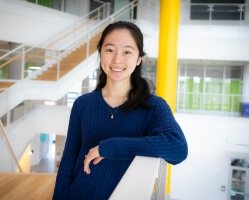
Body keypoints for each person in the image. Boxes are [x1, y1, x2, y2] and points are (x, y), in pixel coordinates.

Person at [52, 21, 188, 200]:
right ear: (100, 53)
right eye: (109, 50)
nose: (117, 59)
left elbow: (178, 149)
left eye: (127, 52)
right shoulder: (82, 104)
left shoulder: (154, 106)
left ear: (139, 59)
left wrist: (111, 147)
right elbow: (68, 164)